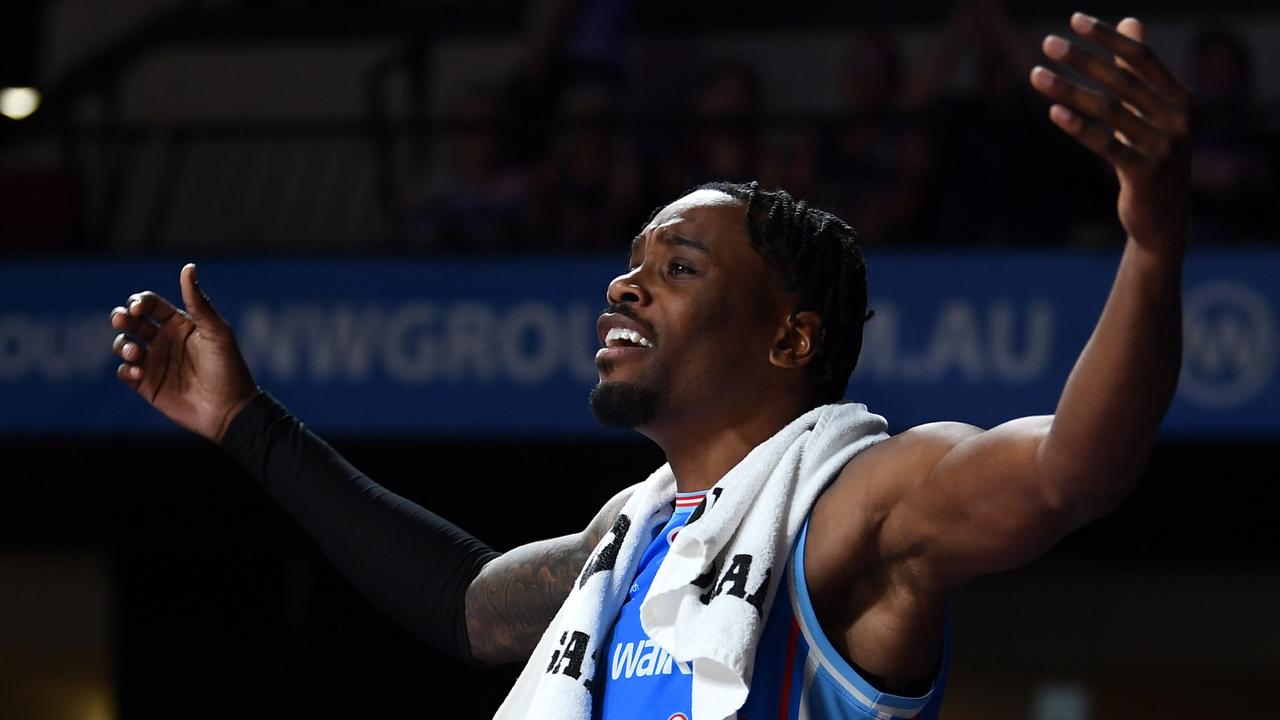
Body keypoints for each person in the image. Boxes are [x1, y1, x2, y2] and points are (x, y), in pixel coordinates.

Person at [109, 13, 1191, 719]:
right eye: (630, 264)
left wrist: (1149, 245)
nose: (625, 287)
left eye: (675, 267)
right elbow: (461, 602)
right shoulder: (633, 541)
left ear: (788, 338)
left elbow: (1068, 473)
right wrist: (245, 422)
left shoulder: (856, 506)